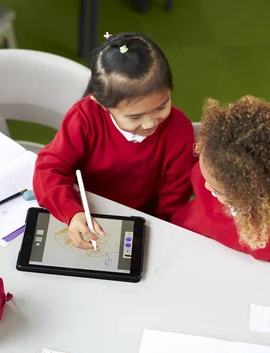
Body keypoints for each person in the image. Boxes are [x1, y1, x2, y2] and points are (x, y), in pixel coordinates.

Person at [33, 32, 195, 249]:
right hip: (85, 211)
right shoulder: (84, 118)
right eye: (134, 117)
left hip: (142, 225)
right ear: (100, 104)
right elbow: (49, 169)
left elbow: (172, 205)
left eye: (161, 106)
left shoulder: (179, 131)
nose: (149, 124)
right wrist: (71, 212)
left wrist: (156, 238)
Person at [171, 96, 270, 271]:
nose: (205, 186)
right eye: (204, 174)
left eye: (217, 190)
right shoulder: (212, 171)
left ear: (250, 196)